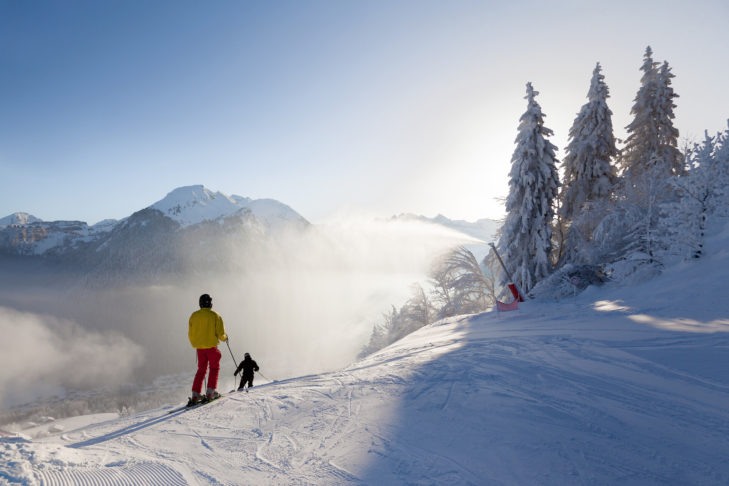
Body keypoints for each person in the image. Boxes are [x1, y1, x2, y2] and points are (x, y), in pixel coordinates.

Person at [188, 293, 228, 404]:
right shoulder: (215, 315)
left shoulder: (194, 316)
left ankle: (195, 394)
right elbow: (220, 333)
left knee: (201, 370)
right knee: (214, 368)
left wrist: (195, 344)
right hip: (211, 347)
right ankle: (211, 392)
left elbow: (191, 334)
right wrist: (225, 338)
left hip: (199, 349)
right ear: (210, 304)